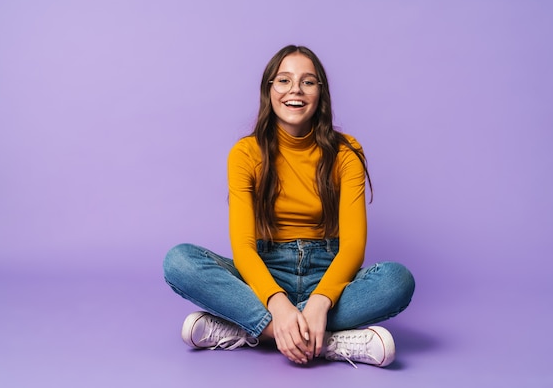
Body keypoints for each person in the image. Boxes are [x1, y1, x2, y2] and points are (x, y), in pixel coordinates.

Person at [163, 45, 415, 368]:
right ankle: (321, 341)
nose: (295, 90)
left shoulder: (347, 152)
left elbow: (353, 246)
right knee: (179, 262)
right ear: (269, 89)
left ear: (320, 93)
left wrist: (321, 302)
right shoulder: (245, 153)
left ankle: (250, 331)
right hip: (265, 273)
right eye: (284, 80)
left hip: (327, 273)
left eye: (308, 82)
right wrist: (278, 305)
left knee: (398, 280)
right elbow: (242, 248)